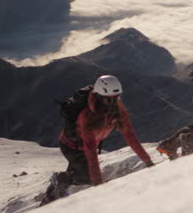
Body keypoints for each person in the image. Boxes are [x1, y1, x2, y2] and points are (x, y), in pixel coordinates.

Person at [41, 75, 155, 205]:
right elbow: (90, 149)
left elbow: (130, 136)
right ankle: (60, 181)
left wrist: (148, 161)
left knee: (76, 175)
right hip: (72, 146)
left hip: (86, 146)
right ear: (99, 97)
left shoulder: (118, 111)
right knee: (86, 177)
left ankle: (50, 198)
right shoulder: (87, 116)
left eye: (115, 98)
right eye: (108, 100)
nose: (112, 103)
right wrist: (97, 182)